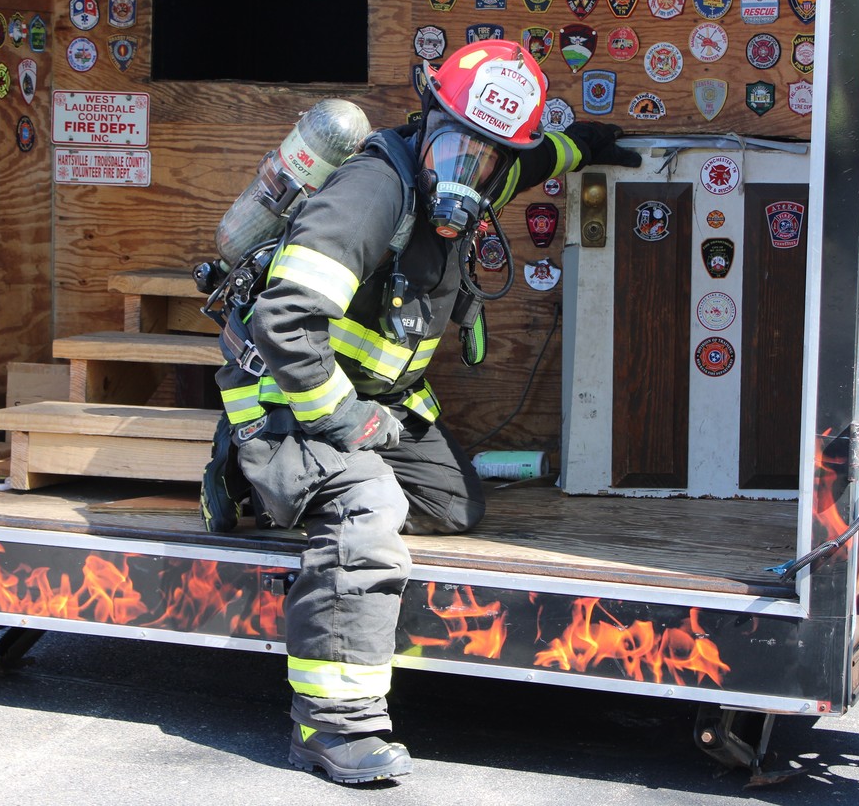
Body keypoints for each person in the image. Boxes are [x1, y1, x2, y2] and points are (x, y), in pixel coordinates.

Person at [204, 40, 640, 785]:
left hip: (378, 403)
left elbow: (533, 161)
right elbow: (285, 318)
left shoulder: (481, 177)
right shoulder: (375, 191)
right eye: (457, 145)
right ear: (427, 117)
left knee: (455, 503)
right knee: (367, 511)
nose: (468, 170)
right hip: (290, 401)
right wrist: (342, 424)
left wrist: (583, 147)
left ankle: (287, 487)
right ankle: (333, 725)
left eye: (489, 156)